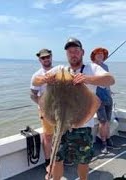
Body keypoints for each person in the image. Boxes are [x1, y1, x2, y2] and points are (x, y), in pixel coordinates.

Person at [33, 37, 115, 180]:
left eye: (76, 51)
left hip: (82, 124)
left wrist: (87, 79)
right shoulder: (60, 70)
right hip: (59, 123)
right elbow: (35, 81)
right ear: (66, 55)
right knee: (57, 158)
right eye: (70, 52)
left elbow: (110, 80)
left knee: (82, 161)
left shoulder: (92, 68)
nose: (73, 54)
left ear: (82, 52)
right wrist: (45, 79)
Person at [30, 48, 54, 175]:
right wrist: (42, 105)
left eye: (48, 57)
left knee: (62, 134)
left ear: (51, 57)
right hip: (46, 111)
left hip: (60, 109)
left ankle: (59, 158)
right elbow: (32, 94)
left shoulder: (59, 71)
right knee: (48, 136)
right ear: (40, 60)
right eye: (43, 58)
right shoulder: (37, 76)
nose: (46, 59)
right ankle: (48, 161)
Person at [90, 47, 119, 153]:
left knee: (108, 121)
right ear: (94, 56)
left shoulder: (105, 66)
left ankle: (108, 139)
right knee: (103, 121)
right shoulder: (91, 67)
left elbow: (108, 81)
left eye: (102, 54)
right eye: (98, 54)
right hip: (98, 98)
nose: (100, 55)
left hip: (108, 96)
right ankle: (104, 144)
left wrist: (110, 91)